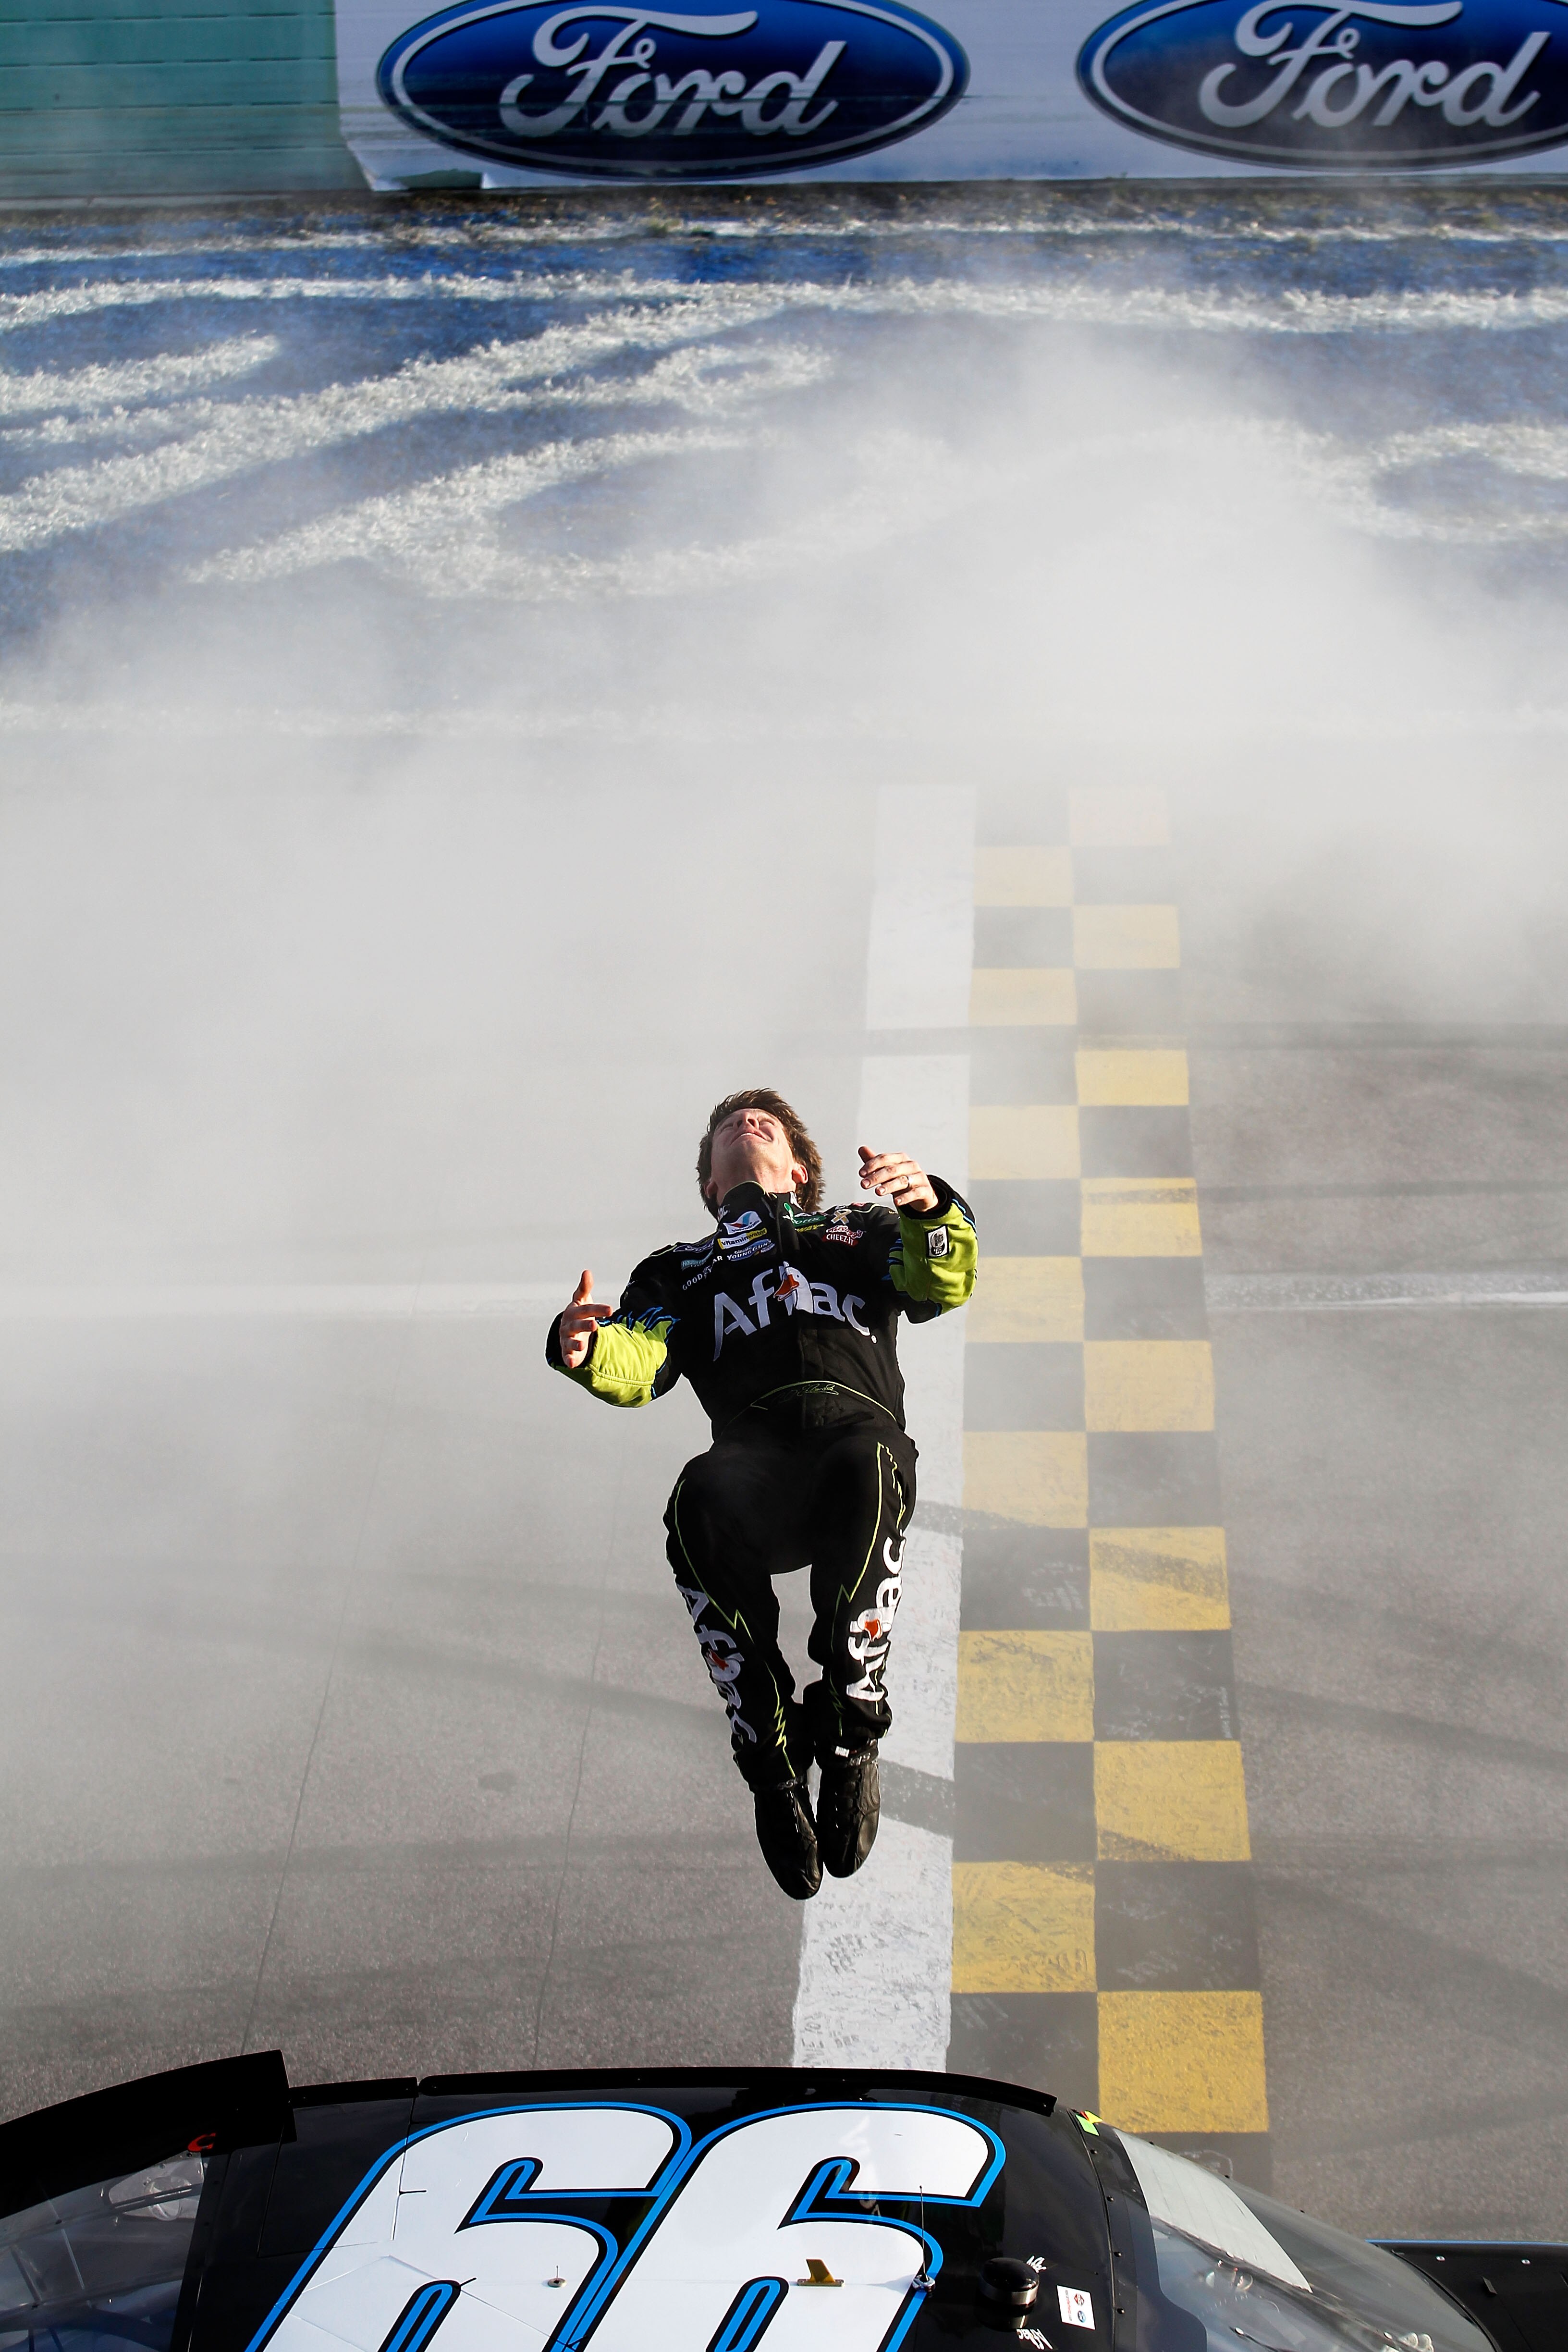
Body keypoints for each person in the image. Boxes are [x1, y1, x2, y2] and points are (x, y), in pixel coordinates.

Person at [546, 1089, 977, 1899]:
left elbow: (939, 1285)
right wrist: (585, 1348)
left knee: (871, 1459)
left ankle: (850, 1737)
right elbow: (639, 1361)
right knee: (697, 1494)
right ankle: (773, 1764)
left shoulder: (857, 1228)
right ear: (710, 1184)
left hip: (857, 1450)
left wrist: (928, 1207)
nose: (746, 1125)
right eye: (725, 1130)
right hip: (757, 1465)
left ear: (800, 1168)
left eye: (765, 1123)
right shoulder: (678, 1270)